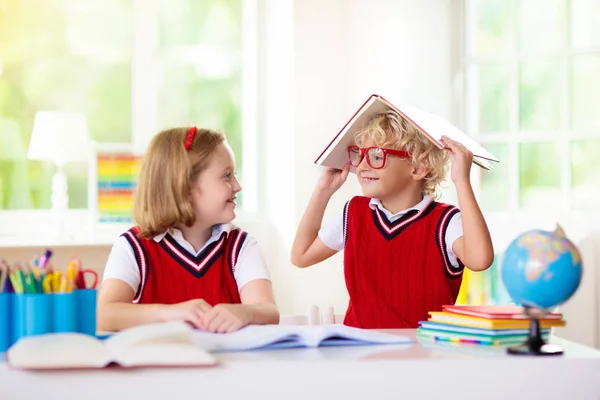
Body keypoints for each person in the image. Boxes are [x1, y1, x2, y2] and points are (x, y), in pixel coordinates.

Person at [291, 111, 494, 328]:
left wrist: (461, 180)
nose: (362, 166)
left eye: (377, 156)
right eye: (360, 155)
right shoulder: (352, 213)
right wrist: (323, 190)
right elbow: (301, 256)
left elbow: (480, 260)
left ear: (417, 167)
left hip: (423, 356)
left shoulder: (445, 222)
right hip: (361, 352)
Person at [98, 126, 279, 332]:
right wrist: (169, 314)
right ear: (184, 185)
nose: (237, 186)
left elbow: (269, 311)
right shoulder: (132, 247)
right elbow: (104, 315)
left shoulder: (241, 246)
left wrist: (246, 313)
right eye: (226, 175)